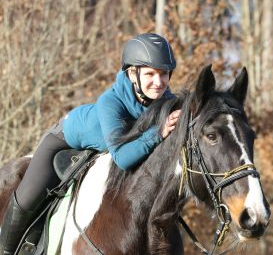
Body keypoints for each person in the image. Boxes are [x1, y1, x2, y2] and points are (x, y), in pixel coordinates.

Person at [0, 33, 181, 254]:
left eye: (164, 74)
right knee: (26, 199)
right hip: (63, 141)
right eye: (151, 74)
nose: (159, 82)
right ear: (132, 73)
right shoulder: (110, 102)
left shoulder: (166, 102)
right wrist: (158, 133)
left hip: (106, 148)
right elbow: (123, 158)